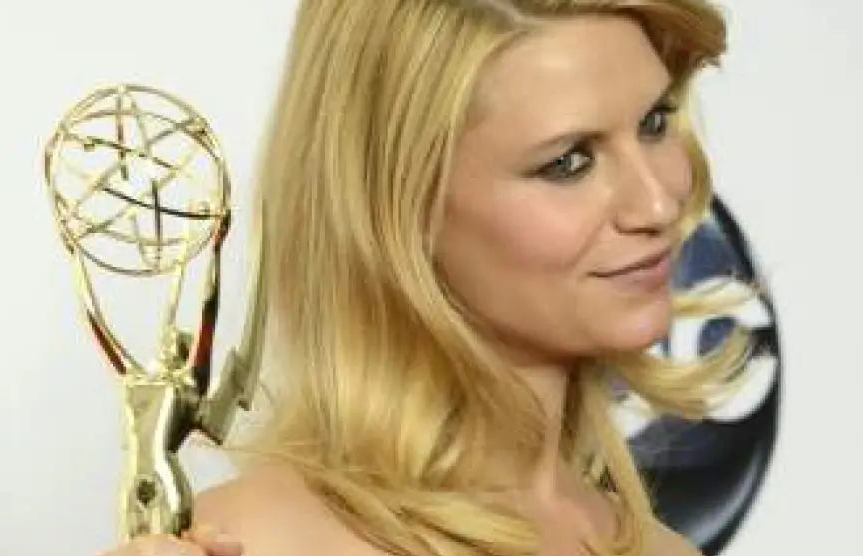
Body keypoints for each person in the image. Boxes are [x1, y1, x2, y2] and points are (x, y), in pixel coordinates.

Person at [101, 0, 751, 554]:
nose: (657, 203)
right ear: (400, 209)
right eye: (569, 162)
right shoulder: (259, 542)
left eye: (655, 123)